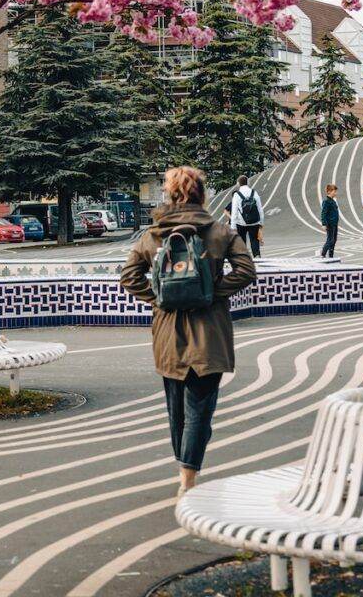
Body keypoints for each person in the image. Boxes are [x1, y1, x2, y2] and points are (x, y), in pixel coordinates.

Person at [120, 166, 256, 496]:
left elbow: (129, 276)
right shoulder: (220, 232)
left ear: (169, 194)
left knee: (176, 410)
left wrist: (160, 297)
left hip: (168, 333)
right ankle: (188, 477)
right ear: (202, 194)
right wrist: (211, 291)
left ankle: (183, 470)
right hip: (209, 333)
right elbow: (246, 270)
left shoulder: (153, 234)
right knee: (200, 411)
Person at [229, 174, 264, 258]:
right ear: (248, 183)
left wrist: (233, 227)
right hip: (254, 222)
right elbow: (260, 209)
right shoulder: (254, 192)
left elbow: (234, 212)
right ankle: (257, 257)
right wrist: (261, 223)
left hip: (241, 223)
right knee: (254, 241)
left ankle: (244, 260)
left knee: (242, 242)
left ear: (238, 183)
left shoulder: (237, 195)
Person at [320, 183, 339, 260]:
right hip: (330, 224)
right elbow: (323, 213)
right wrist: (324, 224)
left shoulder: (333, 201)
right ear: (329, 191)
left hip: (334, 223)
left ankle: (331, 255)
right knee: (330, 240)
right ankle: (323, 254)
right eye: (334, 191)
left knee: (334, 240)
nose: (335, 193)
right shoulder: (326, 201)